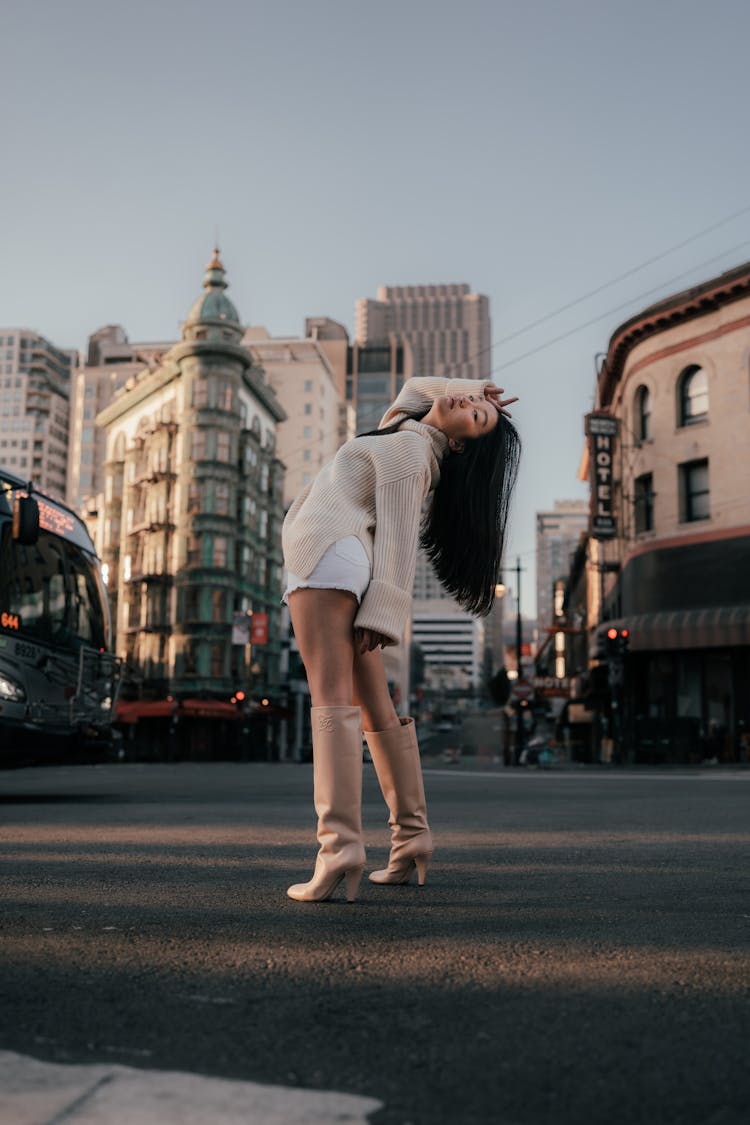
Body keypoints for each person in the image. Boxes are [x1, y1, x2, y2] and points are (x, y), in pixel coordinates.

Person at [282, 376, 521, 902]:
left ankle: (337, 848)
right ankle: (411, 839)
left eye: (477, 416)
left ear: (458, 444)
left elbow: (397, 539)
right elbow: (415, 388)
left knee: (329, 699)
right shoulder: (406, 432)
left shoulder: (409, 452)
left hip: (325, 558)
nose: (471, 405)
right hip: (344, 560)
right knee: (376, 711)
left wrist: (385, 613)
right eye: (476, 404)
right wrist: (476, 391)